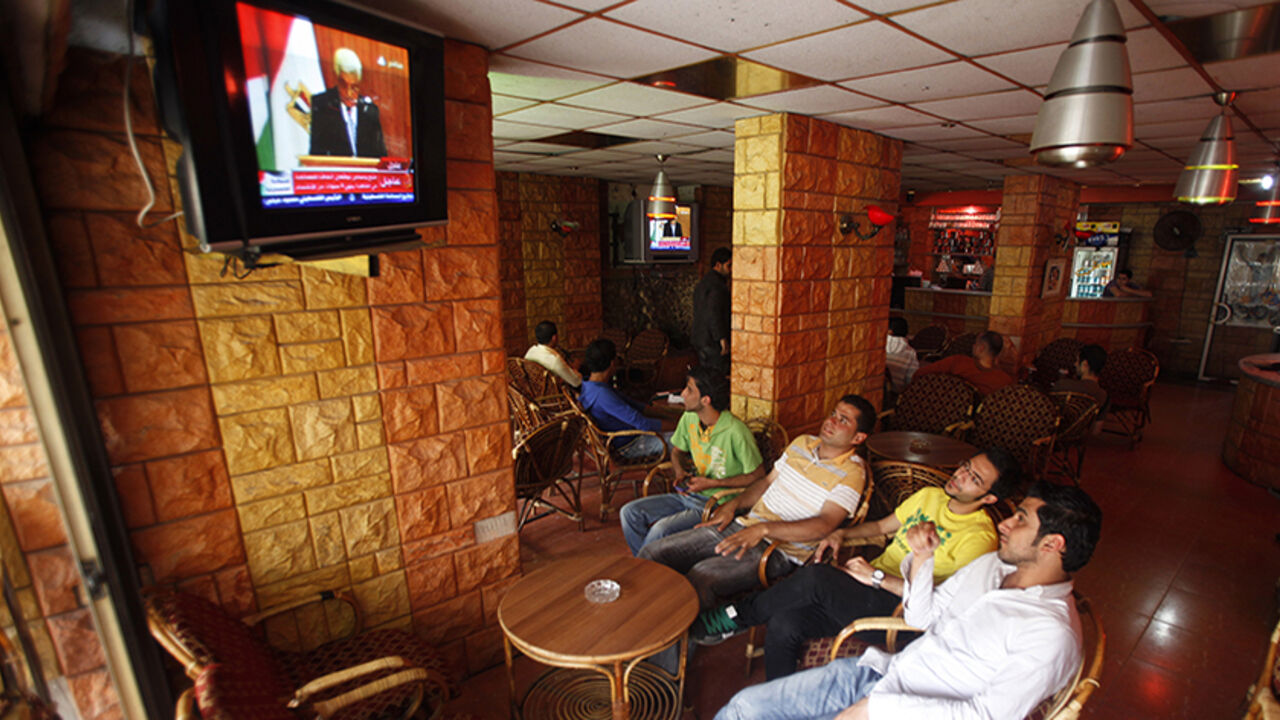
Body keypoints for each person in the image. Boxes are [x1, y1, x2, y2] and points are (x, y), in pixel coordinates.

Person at [715, 481, 1102, 720]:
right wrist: (922, 558)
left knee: (815, 580)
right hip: (880, 673)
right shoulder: (992, 567)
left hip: (900, 707)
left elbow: (985, 715)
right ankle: (740, 615)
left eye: (1020, 519)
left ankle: (736, 615)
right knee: (743, 708)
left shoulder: (1049, 635)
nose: (1006, 523)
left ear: (1053, 544)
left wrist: (876, 710)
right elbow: (922, 616)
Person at [695, 448, 1020, 681]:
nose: (960, 476)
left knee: (816, 579)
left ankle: (736, 616)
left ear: (989, 497)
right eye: (965, 466)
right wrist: (841, 534)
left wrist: (876, 576)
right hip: (863, 590)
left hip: (901, 612)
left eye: (974, 478)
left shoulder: (980, 539)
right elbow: (880, 528)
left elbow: (938, 603)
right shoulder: (931, 497)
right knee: (784, 622)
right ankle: (779, 701)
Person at [637, 395, 877, 609]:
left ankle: (680, 643)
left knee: (701, 577)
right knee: (655, 552)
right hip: (745, 526)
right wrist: (733, 505)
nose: (831, 421)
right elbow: (766, 483)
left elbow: (825, 524)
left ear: (858, 437)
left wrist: (764, 529)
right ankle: (641, 618)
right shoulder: (802, 443)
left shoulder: (852, 472)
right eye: (833, 414)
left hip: (779, 550)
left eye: (843, 420)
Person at [618, 367, 763, 555]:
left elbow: (759, 476)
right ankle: (650, 566)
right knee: (629, 513)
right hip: (688, 495)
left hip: (716, 504)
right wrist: (679, 472)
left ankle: (645, 569)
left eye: (689, 389)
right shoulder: (689, 418)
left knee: (660, 530)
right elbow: (677, 451)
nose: (683, 394)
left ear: (706, 399)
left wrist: (714, 483)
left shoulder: (736, 431)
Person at [578, 339, 665, 460]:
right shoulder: (602, 395)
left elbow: (632, 404)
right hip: (629, 445)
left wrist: (664, 413)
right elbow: (643, 423)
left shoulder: (589, 385)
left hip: (624, 438)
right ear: (612, 363)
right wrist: (678, 425)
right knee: (684, 440)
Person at [309, 48, 387, 158]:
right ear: (336, 77)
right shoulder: (322, 104)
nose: (349, 93)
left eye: (354, 86)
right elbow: (316, 153)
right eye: (344, 85)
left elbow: (381, 156)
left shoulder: (371, 111)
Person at [914, 330, 1013, 396]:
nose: (973, 346)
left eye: (975, 343)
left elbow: (919, 375)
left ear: (981, 348)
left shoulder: (957, 362)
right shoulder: (1005, 381)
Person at [692, 247, 732, 375]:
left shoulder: (704, 283)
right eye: (729, 265)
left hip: (701, 339)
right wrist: (721, 338)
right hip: (712, 342)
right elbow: (714, 313)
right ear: (718, 265)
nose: (731, 270)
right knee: (717, 378)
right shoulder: (717, 286)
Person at [523, 320, 581, 389]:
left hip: (534, 393)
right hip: (554, 396)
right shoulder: (554, 360)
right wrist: (576, 369)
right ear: (554, 338)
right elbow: (576, 382)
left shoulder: (530, 352)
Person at [1053, 344, 1108, 409]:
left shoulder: (1063, 385)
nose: (1075, 364)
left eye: (1077, 361)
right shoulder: (1103, 396)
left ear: (1085, 365)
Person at [884, 317, 918, 394]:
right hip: (896, 394)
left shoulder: (878, 347)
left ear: (890, 331)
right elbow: (911, 379)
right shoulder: (911, 353)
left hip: (879, 390)